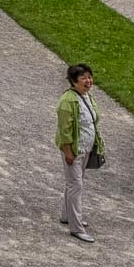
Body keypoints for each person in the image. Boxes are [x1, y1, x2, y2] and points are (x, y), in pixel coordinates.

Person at [55, 63, 101, 243]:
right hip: (74, 150)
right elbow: (64, 131)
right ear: (74, 81)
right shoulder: (67, 101)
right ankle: (76, 227)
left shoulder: (86, 96)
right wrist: (68, 152)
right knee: (76, 186)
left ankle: (67, 215)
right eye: (84, 78)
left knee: (73, 184)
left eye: (89, 77)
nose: (88, 81)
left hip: (85, 148)